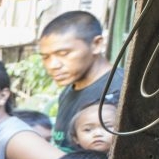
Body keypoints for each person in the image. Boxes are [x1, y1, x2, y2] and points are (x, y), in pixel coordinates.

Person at [39, 10, 123, 150]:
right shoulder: (68, 91)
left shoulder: (121, 88)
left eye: (63, 54)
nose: (53, 65)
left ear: (96, 44)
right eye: (46, 57)